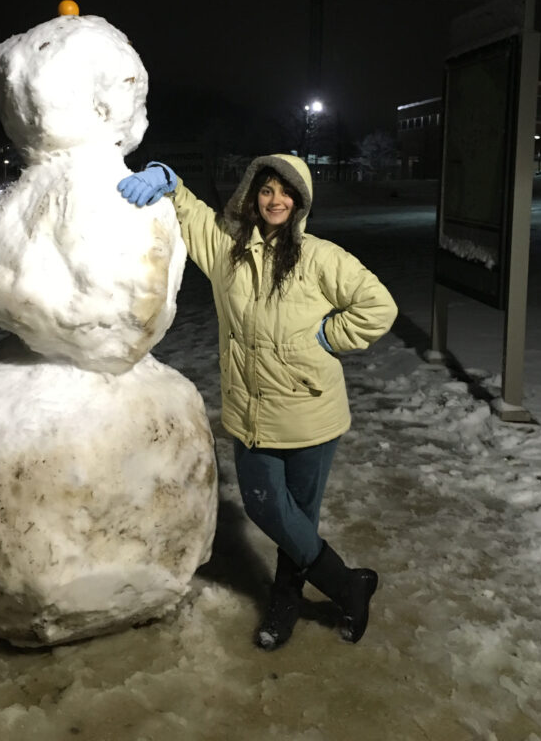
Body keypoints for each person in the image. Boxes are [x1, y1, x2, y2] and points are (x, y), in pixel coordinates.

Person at [117, 154, 397, 649]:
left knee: (299, 521)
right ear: (252, 195)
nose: (275, 200)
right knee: (267, 507)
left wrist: (328, 337)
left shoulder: (320, 257)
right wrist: (169, 179)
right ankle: (347, 584)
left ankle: (285, 599)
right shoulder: (229, 254)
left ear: (301, 201)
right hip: (251, 414)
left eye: (285, 192)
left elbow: (379, 306)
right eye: (266, 190)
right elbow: (195, 215)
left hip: (312, 411)